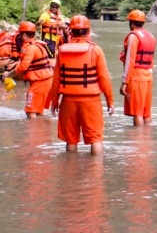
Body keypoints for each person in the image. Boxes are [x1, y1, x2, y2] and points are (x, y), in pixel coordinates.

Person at [48, 15, 114, 155]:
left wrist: (54, 101)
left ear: (70, 32)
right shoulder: (96, 50)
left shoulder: (62, 51)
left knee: (71, 140)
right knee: (95, 139)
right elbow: (104, 78)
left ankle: (70, 172)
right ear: (88, 31)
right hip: (91, 101)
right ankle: (96, 174)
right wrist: (110, 101)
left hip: (67, 100)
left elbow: (56, 80)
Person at [2, 21, 53, 118]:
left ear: (24, 35)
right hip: (47, 82)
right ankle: (43, 131)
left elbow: (23, 67)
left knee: (30, 112)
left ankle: (31, 131)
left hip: (39, 83)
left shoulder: (30, 48)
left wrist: (8, 74)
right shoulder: (38, 45)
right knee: (38, 111)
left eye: (21, 35)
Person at [119, 9, 157, 126]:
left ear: (131, 22)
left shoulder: (133, 37)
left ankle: (138, 140)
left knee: (137, 113)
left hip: (136, 78)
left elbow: (130, 60)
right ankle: (146, 138)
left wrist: (124, 82)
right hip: (148, 77)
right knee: (146, 113)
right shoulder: (151, 36)